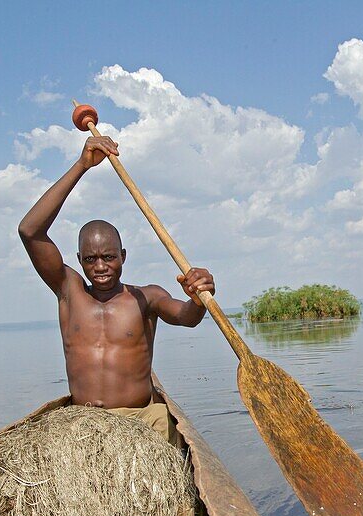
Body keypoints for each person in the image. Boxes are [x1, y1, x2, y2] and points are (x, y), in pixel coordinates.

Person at [18, 135, 215, 445]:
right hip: (83, 421)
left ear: (123, 256)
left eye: (109, 257)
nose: (100, 267)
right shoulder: (69, 291)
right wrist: (82, 166)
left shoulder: (146, 297)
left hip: (141, 420)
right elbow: (29, 231)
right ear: (79, 260)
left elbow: (186, 317)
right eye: (91, 259)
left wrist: (198, 298)